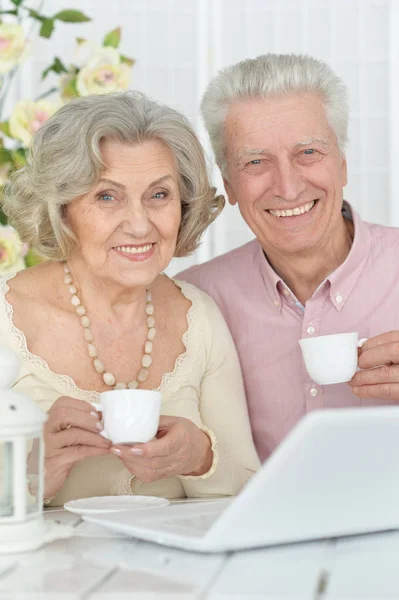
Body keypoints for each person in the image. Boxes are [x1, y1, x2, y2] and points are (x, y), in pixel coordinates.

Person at [1, 91, 260, 505]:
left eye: (159, 195)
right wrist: (31, 474)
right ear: (62, 208)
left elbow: (251, 493)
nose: (140, 225)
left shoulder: (200, 317)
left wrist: (199, 457)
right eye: (107, 196)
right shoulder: (5, 319)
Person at [178, 53, 399, 462]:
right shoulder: (193, 301)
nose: (287, 186)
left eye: (308, 153)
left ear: (343, 165)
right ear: (229, 185)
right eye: (256, 161)